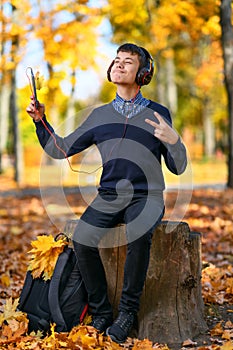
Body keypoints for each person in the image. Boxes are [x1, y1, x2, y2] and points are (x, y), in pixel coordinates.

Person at [26, 43, 187, 343]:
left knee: (139, 234)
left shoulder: (158, 114)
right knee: (83, 238)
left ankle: (128, 311)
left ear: (144, 74)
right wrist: (40, 121)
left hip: (147, 196)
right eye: (116, 60)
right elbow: (60, 149)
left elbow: (177, 167)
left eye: (128, 61)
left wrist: (175, 141)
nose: (119, 64)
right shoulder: (100, 116)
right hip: (110, 194)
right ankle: (101, 311)